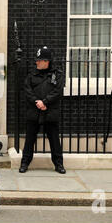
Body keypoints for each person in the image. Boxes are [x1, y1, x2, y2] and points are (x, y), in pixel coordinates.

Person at [19, 46, 66, 174]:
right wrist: (37, 102)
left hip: (50, 112)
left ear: (47, 61)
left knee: (54, 140)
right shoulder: (31, 75)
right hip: (34, 111)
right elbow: (27, 91)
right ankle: (24, 163)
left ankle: (58, 164)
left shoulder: (58, 75)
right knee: (29, 139)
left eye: (40, 60)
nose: (37, 62)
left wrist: (45, 102)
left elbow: (57, 92)